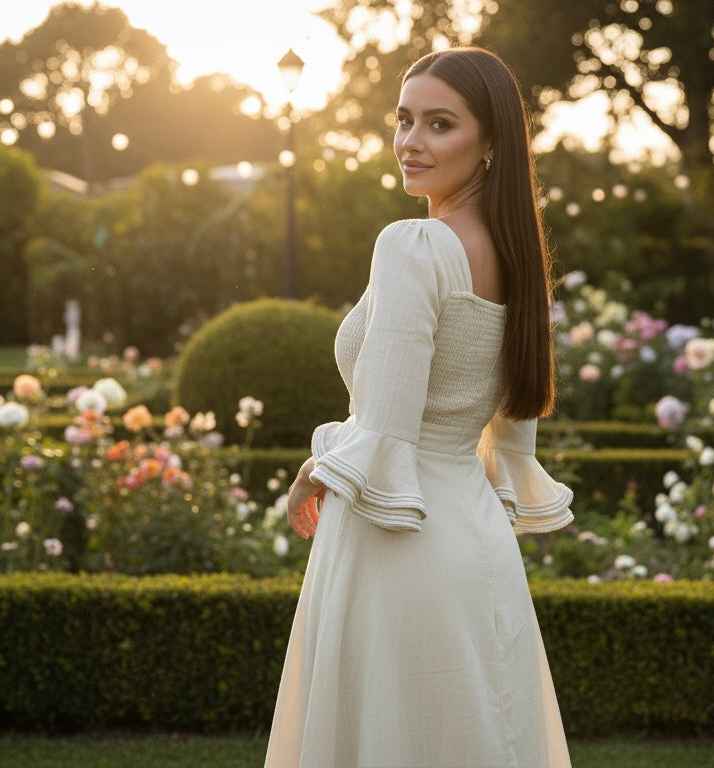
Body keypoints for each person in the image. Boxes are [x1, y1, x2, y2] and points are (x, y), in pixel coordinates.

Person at [264, 46, 574, 768]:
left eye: (440, 124)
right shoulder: (522, 260)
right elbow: (513, 443)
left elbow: (387, 426)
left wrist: (316, 469)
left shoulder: (415, 246)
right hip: (472, 537)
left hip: (394, 535)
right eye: (404, 120)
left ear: (490, 140)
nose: (410, 142)